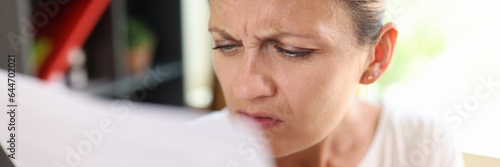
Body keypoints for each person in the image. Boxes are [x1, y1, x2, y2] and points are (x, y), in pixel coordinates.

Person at [194, 0, 464, 166]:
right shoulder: (183, 152)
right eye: (226, 45)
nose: (245, 88)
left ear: (376, 56)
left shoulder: (421, 147)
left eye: (292, 50)